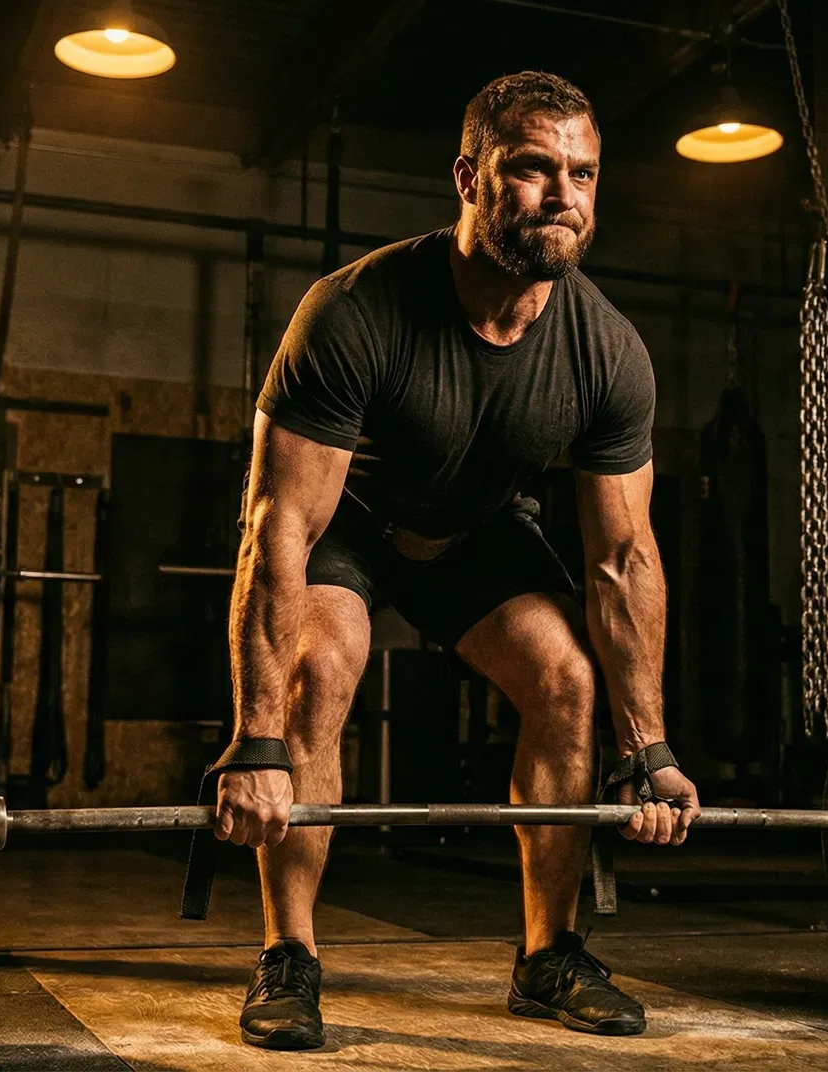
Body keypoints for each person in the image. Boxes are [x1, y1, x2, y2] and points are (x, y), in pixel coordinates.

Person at [215, 70, 700, 1051]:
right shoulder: (354, 310)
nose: (563, 194)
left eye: (583, 173)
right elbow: (279, 531)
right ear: (469, 177)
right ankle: (289, 954)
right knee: (325, 661)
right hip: (350, 526)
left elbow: (622, 558)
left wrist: (647, 751)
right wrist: (258, 742)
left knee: (567, 676)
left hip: (474, 534)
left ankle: (548, 955)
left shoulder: (608, 352)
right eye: (533, 168)